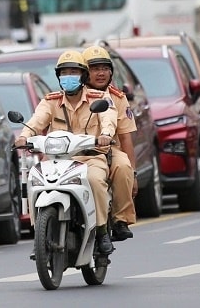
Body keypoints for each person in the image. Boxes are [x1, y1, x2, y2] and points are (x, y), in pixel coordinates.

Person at [14, 50, 117, 254]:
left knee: (96, 180)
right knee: (36, 180)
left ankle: (102, 230)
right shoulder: (50, 101)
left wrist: (105, 134)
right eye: (64, 73)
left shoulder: (100, 98)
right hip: (56, 160)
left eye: (73, 72)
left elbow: (108, 118)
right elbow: (36, 121)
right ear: (58, 77)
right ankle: (40, 237)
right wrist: (24, 136)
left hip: (90, 157)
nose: (68, 77)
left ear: (83, 76)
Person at [81, 45, 137, 242]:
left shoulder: (118, 98)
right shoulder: (73, 95)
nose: (101, 73)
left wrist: (134, 175)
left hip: (108, 150)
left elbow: (126, 138)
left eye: (105, 68)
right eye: (95, 69)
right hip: (76, 152)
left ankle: (120, 220)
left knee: (123, 166)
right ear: (84, 72)